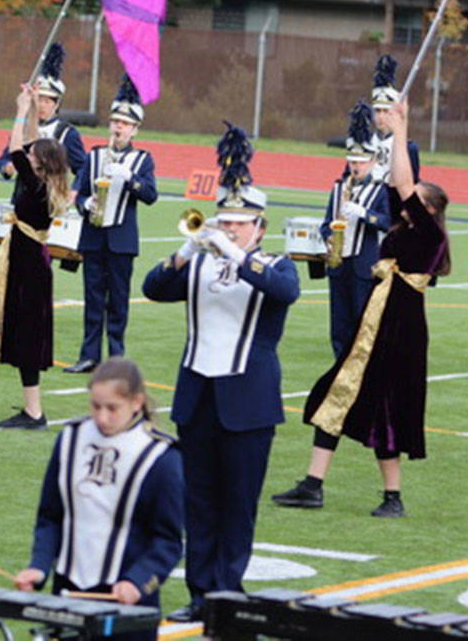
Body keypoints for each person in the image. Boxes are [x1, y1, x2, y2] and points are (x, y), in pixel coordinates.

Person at [142, 123, 299, 623]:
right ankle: (199, 591)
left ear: (259, 227)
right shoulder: (199, 265)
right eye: (224, 221)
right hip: (198, 396)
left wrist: (239, 255)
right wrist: (188, 249)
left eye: (239, 223)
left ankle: (227, 593)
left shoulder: (276, 263)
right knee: (200, 500)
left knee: (239, 504)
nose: (229, 228)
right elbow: (152, 287)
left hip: (248, 402)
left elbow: (283, 292)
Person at [276, 97, 450, 518]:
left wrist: (403, 127)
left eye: (415, 198)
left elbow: (403, 182)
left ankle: (393, 497)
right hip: (374, 322)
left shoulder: (429, 234)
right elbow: (396, 184)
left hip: (397, 330)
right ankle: (313, 484)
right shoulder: (403, 226)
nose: (403, 200)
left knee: (384, 408)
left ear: (428, 209)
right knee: (335, 393)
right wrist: (392, 132)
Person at [15, 358, 182, 640]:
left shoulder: (162, 457)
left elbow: (169, 542)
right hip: (69, 594)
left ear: (137, 402)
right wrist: (39, 565)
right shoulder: (70, 439)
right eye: (96, 407)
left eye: (112, 408)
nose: (102, 417)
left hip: (128, 607)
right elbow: (50, 516)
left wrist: (138, 582)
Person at [68, 75, 156, 375]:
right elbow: (77, 192)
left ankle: (116, 357)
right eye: (115, 122)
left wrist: (129, 179)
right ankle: (89, 355)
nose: (117, 127)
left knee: (117, 301)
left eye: (124, 124)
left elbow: (151, 195)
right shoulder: (93, 155)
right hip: (93, 237)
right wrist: (84, 205)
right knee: (92, 298)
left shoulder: (143, 160)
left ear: (134, 129)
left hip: (121, 240)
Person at [0, 82, 69, 429]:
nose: (30, 156)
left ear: (42, 164)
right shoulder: (45, 183)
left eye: (35, 155)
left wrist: (22, 110)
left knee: (28, 335)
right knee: (26, 332)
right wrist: (35, 103)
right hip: (29, 260)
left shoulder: (38, 186)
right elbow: (29, 147)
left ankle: (34, 412)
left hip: (28, 265)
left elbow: (16, 151)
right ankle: (31, 407)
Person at [321, 102, 390, 363]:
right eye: (352, 161)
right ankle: (339, 363)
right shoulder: (339, 188)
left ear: (372, 161)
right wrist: (328, 234)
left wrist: (364, 214)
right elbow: (325, 221)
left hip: (363, 265)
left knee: (361, 320)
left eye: (361, 162)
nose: (355, 166)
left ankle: (361, 365)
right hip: (338, 263)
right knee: (339, 324)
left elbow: (386, 222)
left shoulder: (379, 190)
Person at [0, 44, 85, 180]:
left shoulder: (67, 133)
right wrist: (6, 166)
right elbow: (6, 157)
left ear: (56, 104)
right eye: (39, 99)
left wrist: (74, 191)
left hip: (51, 194)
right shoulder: (23, 128)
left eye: (47, 102)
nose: (41, 105)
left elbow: (81, 169)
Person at [368, 54, 420, 184]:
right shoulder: (365, 142)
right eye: (377, 111)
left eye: (386, 111)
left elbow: (411, 185)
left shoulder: (409, 148)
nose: (381, 116)